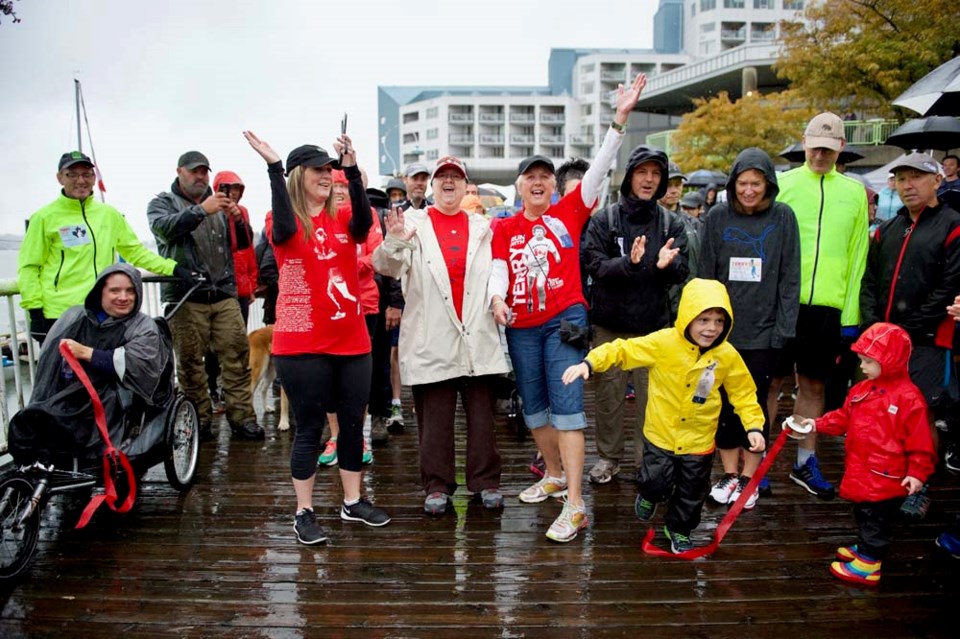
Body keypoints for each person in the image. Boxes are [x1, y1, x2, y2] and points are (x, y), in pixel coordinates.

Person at [489, 73, 648, 543]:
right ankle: (554, 475)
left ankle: (576, 504)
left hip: (565, 322)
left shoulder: (570, 210)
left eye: (544, 177)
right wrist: (496, 298)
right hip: (520, 326)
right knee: (535, 410)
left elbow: (600, 166)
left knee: (568, 411)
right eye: (530, 177)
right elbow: (499, 268)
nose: (537, 183)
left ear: (553, 187)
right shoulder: (504, 226)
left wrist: (619, 120)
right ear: (519, 186)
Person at [244, 130, 390, 544]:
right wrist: (274, 167)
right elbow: (287, 229)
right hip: (301, 341)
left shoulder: (342, 216)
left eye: (330, 169)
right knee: (309, 427)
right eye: (318, 169)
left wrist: (353, 174)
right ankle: (303, 511)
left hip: (351, 338)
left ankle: (352, 501)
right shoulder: (281, 220)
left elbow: (364, 225)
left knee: (350, 425)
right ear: (298, 175)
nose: (326, 176)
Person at [562, 278, 765, 554]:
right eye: (704, 319)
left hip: (699, 440)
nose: (712, 328)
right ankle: (648, 495)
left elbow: (744, 393)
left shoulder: (727, 355)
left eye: (719, 321)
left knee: (692, 494)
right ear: (688, 316)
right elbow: (623, 349)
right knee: (654, 480)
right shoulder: (663, 342)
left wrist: (753, 426)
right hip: (660, 434)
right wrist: (590, 362)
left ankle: (678, 529)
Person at [374, 155, 508, 514]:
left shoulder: (483, 225)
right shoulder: (413, 222)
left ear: (466, 187)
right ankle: (436, 485)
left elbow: (498, 270)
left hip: (477, 332)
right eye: (442, 177)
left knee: (483, 415)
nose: (449, 182)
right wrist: (395, 239)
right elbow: (386, 266)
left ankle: (486, 482)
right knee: (434, 418)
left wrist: (498, 299)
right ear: (433, 186)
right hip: (431, 333)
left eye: (456, 177)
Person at [773, 112, 869, 499]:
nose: (820, 156)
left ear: (840, 148)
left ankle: (803, 461)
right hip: (784, 302)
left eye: (828, 150)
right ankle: (755, 461)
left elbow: (857, 253)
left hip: (827, 307)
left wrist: (850, 317)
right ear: (804, 143)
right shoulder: (783, 184)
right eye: (815, 148)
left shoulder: (854, 192)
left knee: (813, 385)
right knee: (772, 382)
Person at [796, 323, 937, 586]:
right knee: (863, 512)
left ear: (890, 361)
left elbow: (921, 443)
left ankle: (870, 562)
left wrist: (917, 473)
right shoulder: (862, 390)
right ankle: (865, 548)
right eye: (862, 360)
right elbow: (843, 418)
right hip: (862, 469)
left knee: (876, 518)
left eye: (869, 362)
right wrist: (816, 423)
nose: (862, 367)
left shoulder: (909, 398)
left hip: (887, 475)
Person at [699, 148, 801, 510]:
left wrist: (783, 331)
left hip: (765, 332)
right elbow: (705, 275)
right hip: (722, 332)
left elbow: (791, 277)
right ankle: (729, 474)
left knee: (755, 406)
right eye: (742, 183)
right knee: (722, 405)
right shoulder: (716, 217)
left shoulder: (783, 217)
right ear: (732, 184)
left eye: (756, 183)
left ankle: (750, 477)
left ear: (768, 184)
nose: (748, 190)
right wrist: (704, 327)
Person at [859, 152, 960, 518]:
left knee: (923, 415)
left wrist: (908, 328)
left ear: (936, 181)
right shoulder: (888, 228)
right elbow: (869, 281)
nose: (907, 185)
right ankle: (889, 476)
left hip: (928, 340)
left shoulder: (952, 225)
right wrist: (873, 325)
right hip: (885, 341)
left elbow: (950, 286)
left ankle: (922, 483)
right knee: (887, 413)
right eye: (901, 178)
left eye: (916, 177)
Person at [580, 145, 688, 486]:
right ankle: (608, 458)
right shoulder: (605, 220)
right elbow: (594, 265)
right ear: (629, 177)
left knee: (651, 400)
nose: (649, 180)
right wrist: (630, 263)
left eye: (656, 174)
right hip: (609, 324)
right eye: (642, 172)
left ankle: (647, 460)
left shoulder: (671, 222)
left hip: (653, 328)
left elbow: (683, 270)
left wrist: (667, 266)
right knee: (608, 397)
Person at [147, 151, 263, 442]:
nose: (200, 177)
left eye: (204, 172)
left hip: (222, 292)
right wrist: (202, 210)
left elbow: (245, 245)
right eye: (194, 172)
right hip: (186, 296)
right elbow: (164, 228)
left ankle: (243, 418)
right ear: (179, 172)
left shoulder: (220, 203)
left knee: (237, 357)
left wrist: (237, 220)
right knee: (190, 363)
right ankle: (198, 420)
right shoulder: (162, 202)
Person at [9, 264, 172, 466]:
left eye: (130, 291)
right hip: (74, 392)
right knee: (34, 419)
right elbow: (48, 365)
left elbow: (139, 367)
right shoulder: (74, 317)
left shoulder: (144, 327)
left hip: (118, 397)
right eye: (115, 290)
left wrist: (86, 353)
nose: (124, 297)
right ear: (100, 292)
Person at [19, 151, 184, 346]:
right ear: (60, 178)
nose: (81, 180)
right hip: (60, 314)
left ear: (94, 178)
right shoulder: (44, 218)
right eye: (72, 174)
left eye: (87, 174)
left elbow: (135, 252)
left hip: (102, 311)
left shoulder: (109, 215)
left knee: (101, 371)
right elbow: (29, 267)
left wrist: (174, 268)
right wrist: (35, 312)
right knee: (63, 375)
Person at [318, 168, 383, 466]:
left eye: (345, 185)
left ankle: (357, 435)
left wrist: (346, 264)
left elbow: (376, 257)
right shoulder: (318, 215)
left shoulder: (367, 215)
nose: (340, 190)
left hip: (364, 304)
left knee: (358, 376)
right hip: (328, 305)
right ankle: (335, 434)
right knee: (329, 375)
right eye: (335, 185)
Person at [205, 170, 259, 414]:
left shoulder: (243, 213)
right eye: (228, 188)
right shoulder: (209, 210)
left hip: (240, 289)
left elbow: (247, 250)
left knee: (237, 343)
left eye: (237, 188)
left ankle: (233, 392)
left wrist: (252, 284)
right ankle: (212, 389)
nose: (233, 193)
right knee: (212, 346)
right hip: (218, 288)